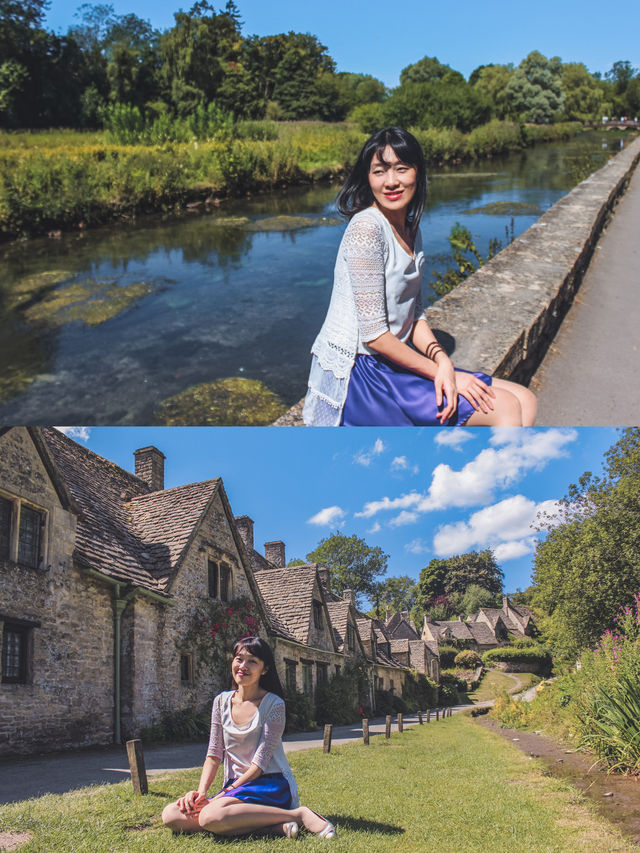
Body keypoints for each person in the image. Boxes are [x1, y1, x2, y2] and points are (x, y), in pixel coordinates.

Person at [302, 126, 537, 427]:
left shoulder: (411, 228)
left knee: (525, 399)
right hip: (362, 372)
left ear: (418, 173)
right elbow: (375, 337)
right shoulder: (366, 229)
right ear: (367, 178)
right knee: (503, 407)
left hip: (391, 362)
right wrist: (442, 372)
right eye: (379, 171)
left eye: (402, 169)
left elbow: (415, 316)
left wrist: (443, 361)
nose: (391, 182)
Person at [162, 636, 336, 839]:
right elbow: (214, 754)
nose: (243, 666)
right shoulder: (221, 702)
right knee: (171, 815)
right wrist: (201, 793)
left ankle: (298, 815)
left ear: (264, 669)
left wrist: (222, 795)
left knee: (210, 816)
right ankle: (274, 828)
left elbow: (259, 764)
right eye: (239, 658)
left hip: (269, 783)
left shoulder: (274, 704)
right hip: (235, 787)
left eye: (252, 661)